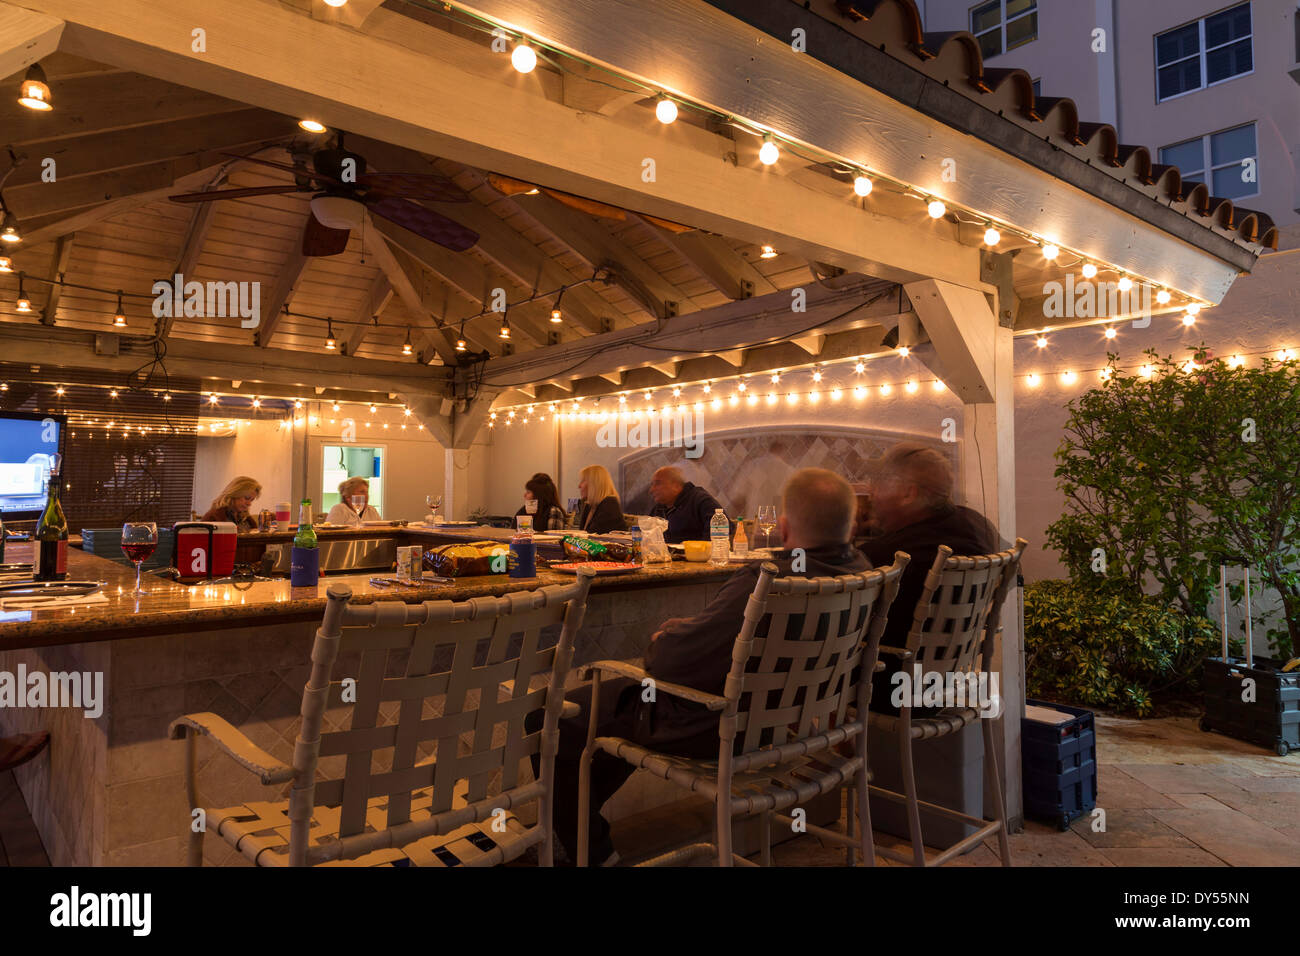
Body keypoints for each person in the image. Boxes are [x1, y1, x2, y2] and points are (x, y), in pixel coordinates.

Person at [532, 467, 869, 865]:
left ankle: (586, 848)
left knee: (552, 720)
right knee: (603, 720)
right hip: (792, 729)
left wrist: (663, 642)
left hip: (717, 730)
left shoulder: (766, 581)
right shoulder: (864, 573)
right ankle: (579, 835)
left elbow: (671, 666)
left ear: (784, 526)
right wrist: (693, 630)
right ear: (850, 525)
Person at [856, 442, 997, 714]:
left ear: (909, 492)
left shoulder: (890, 557)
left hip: (895, 687)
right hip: (954, 681)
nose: (872, 493)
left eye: (880, 483)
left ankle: (829, 753)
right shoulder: (979, 526)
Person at [647, 466, 727, 543]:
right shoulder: (658, 509)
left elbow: (722, 530)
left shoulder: (700, 500)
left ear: (676, 485)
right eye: (652, 484)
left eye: (658, 483)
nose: (652, 490)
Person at [575, 465, 626, 534]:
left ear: (594, 484)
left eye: (583, 481)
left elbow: (592, 537)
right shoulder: (589, 506)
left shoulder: (609, 504)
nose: (579, 486)